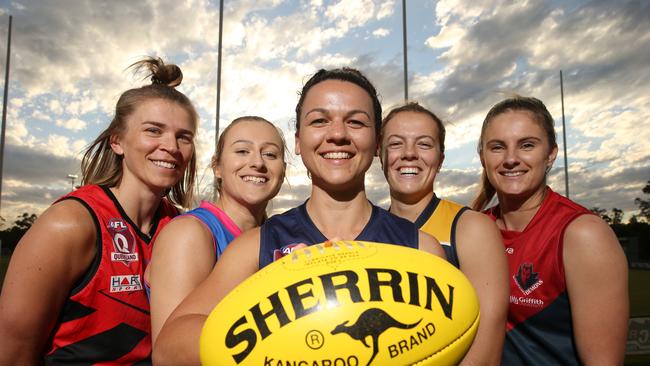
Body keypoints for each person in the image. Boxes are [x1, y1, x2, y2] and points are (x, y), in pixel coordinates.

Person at [152, 67, 444, 364]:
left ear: (378, 142)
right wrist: (281, 332)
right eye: (319, 121)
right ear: (298, 140)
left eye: (356, 122)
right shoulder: (257, 246)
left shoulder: (421, 248)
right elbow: (169, 348)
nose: (338, 134)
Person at [0, 57, 198, 364]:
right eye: (153, 131)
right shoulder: (70, 223)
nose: (171, 146)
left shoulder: (181, 227)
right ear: (117, 141)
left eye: (183, 136)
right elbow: (11, 354)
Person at [471, 95, 628, 365]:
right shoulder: (474, 231)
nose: (510, 159)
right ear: (483, 157)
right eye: (497, 147)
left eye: (527, 145)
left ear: (551, 154)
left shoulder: (582, 234)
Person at [380, 101, 508, 365]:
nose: (409, 154)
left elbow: (485, 354)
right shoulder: (366, 231)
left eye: (424, 144)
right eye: (395, 144)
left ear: (440, 159)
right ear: (379, 153)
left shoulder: (470, 228)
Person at [147, 116, 286, 345]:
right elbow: (174, 351)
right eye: (242, 151)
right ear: (217, 167)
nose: (257, 163)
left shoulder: (276, 238)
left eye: (270, 154)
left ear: (283, 171)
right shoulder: (189, 234)